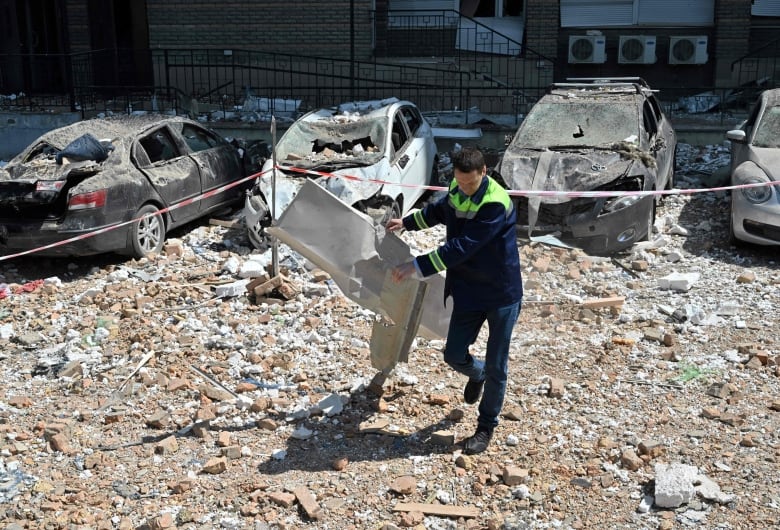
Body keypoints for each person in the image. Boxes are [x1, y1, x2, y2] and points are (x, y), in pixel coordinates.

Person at [386, 147, 523, 454]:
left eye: (470, 184)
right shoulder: (457, 187)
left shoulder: (495, 204)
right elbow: (438, 211)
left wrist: (418, 265)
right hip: (468, 290)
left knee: (498, 364)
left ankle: (486, 426)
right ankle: (478, 373)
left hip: (501, 293)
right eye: (459, 183)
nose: (463, 188)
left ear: (483, 173)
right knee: (454, 353)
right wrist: (406, 224)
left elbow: (462, 247)